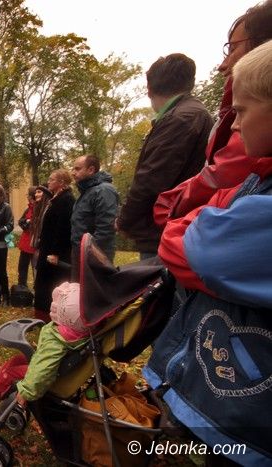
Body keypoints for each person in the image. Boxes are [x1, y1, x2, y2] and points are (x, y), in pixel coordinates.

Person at [144, 41, 272, 466]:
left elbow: (194, 249)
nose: (235, 125)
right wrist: (209, 220)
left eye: (243, 111)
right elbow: (212, 215)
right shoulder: (257, 180)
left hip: (244, 418)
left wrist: (199, 224)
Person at [154, 2, 272, 227]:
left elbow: (223, 175)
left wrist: (167, 208)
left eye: (232, 49)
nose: (222, 65)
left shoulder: (183, 117)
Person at [116, 53, 213, 260]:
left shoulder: (181, 119)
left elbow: (151, 179)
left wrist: (124, 220)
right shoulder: (190, 113)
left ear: (149, 89)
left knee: (157, 279)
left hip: (165, 231)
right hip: (175, 228)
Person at [0, 282, 89, 415]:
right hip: (55, 366)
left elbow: (43, 370)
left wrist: (26, 392)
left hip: (48, 377)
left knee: (11, 373)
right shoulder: (80, 331)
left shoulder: (57, 343)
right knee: (18, 359)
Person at [33, 170, 75, 321]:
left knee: (52, 283)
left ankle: (51, 316)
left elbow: (63, 228)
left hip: (55, 252)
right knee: (43, 282)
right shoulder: (56, 198)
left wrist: (56, 252)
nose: (48, 182)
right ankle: (42, 314)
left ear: (61, 182)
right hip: (47, 247)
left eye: (51, 179)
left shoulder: (67, 199)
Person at [70, 155, 119, 270]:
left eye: (77, 169)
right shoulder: (86, 192)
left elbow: (106, 228)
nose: (73, 173)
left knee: (94, 283)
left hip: (95, 256)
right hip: (81, 252)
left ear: (91, 170)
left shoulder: (104, 190)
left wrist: (90, 252)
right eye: (73, 169)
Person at [16, 186, 38, 287]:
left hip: (34, 243)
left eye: (28, 195)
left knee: (35, 267)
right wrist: (26, 222)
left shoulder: (38, 208)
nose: (27, 197)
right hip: (25, 243)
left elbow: (35, 224)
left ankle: (37, 287)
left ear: (31, 196)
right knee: (22, 266)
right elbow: (21, 221)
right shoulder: (29, 208)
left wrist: (27, 222)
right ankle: (22, 286)